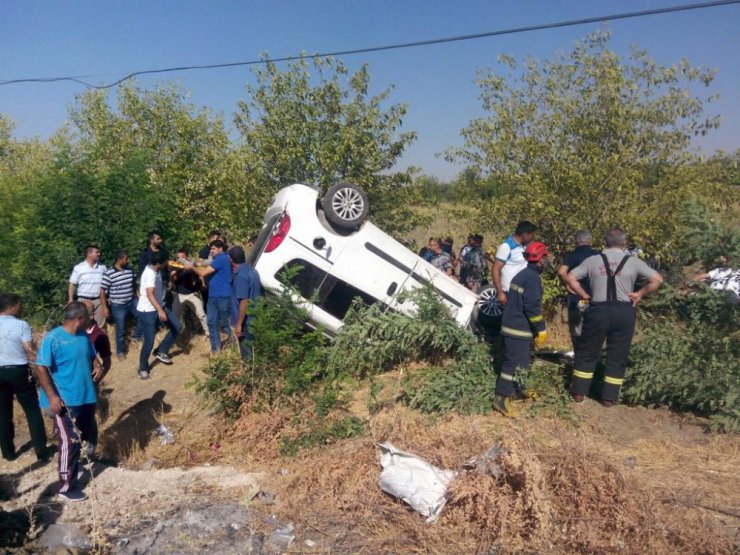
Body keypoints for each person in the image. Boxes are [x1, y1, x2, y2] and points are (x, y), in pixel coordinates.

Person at [565, 228, 664, 406]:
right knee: (617, 354)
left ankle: (579, 393)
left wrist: (583, 294)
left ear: (605, 242)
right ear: (625, 243)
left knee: (588, 351)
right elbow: (657, 279)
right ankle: (609, 398)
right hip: (624, 311)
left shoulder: (593, 260)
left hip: (598, 309)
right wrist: (640, 294)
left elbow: (570, 277)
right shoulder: (634, 262)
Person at [36, 302, 104, 502]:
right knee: (68, 442)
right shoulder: (53, 339)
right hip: (65, 401)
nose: (92, 318)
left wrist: (97, 365)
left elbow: (93, 357)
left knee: (85, 438)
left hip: (86, 396)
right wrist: (52, 396)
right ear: (80, 319)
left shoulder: (83, 336)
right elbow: (41, 368)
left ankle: (75, 467)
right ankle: (66, 487)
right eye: (90, 315)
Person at [493, 242, 549, 417]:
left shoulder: (523, 274)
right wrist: (541, 328)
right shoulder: (532, 279)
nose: (547, 261)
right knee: (513, 364)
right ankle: (501, 399)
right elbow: (531, 307)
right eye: (546, 257)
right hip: (518, 329)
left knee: (522, 363)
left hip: (514, 327)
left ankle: (518, 391)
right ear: (541, 260)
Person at [0, 293, 58, 462]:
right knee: (32, 410)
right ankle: (41, 451)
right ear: (11, 307)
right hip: (18, 370)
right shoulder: (21, 325)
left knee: (3, 412)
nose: (21, 308)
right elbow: (30, 350)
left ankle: (8, 453)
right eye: (19, 305)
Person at [136, 251, 181, 380]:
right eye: (165, 261)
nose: (167, 263)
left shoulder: (155, 269)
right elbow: (150, 293)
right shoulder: (150, 273)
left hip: (160, 306)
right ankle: (143, 369)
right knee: (149, 342)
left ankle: (161, 350)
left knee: (177, 327)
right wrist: (159, 310)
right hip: (148, 311)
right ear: (158, 263)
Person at [557, 230, 599, 353]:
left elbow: (561, 271)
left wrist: (568, 283)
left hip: (578, 299)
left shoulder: (573, 255)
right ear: (590, 241)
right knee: (592, 329)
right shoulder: (598, 255)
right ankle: (592, 358)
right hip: (594, 299)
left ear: (576, 241)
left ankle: (579, 356)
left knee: (576, 329)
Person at [189, 240, 233, 354]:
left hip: (223, 296)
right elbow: (205, 268)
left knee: (225, 323)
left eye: (213, 249)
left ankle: (235, 344)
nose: (211, 251)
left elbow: (203, 273)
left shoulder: (222, 258)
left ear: (220, 249)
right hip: (213, 296)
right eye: (211, 249)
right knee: (212, 321)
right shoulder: (218, 259)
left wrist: (191, 267)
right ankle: (215, 349)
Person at [100, 250, 138, 361]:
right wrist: (105, 307)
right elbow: (102, 291)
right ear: (120, 259)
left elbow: (134, 284)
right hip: (118, 306)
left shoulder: (129, 270)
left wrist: (138, 296)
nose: (128, 261)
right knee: (120, 329)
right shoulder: (109, 273)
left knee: (143, 315)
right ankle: (120, 351)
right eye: (126, 259)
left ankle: (136, 337)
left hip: (131, 302)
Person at [492, 221, 537, 306]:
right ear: (525, 235)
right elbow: (495, 269)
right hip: (510, 291)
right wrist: (500, 292)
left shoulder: (523, 246)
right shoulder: (506, 247)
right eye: (532, 235)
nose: (532, 238)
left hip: (520, 290)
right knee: (511, 318)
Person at [229, 246, 262, 359]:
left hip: (246, 323)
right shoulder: (252, 271)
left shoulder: (241, 276)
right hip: (256, 317)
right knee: (254, 352)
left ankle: (249, 374)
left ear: (231, 259)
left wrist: (238, 325)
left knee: (247, 354)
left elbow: (244, 302)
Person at [170, 248, 209, 340]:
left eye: (182, 257)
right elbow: (172, 281)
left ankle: (208, 333)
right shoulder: (174, 266)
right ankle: (174, 336)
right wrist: (174, 273)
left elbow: (200, 274)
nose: (180, 259)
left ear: (186, 256)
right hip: (180, 295)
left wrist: (202, 283)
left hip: (192, 294)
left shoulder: (191, 265)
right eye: (178, 257)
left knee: (201, 314)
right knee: (174, 316)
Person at [68, 245, 107, 327]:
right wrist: (70, 299)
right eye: (97, 252)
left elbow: (106, 284)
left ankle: (96, 339)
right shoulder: (79, 268)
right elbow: (72, 284)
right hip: (83, 300)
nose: (99, 254)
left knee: (99, 326)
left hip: (99, 300)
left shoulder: (102, 267)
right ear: (89, 254)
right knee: (82, 324)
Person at [80, 300, 112, 375]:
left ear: (91, 316)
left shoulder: (100, 336)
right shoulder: (73, 330)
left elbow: (107, 361)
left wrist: (98, 379)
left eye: (80, 316)